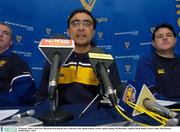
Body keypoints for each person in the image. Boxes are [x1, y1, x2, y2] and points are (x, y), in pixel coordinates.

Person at [34, 9, 122, 105]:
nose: (81, 28)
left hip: (95, 116)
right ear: (68, 31)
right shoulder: (55, 58)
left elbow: (115, 97)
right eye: (75, 23)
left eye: (87, 24)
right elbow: (42, 97)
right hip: (61, 116)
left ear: (93, 32)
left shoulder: (105, 59)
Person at [135, 22, 180, 101]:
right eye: (160, 37)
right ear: (153, 43)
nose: (165, 38)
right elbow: (150, 94)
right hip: (162, 110)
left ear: (175, 40)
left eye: (169, 35)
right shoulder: (146, 63)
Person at [0, 22, 37, 106]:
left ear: (11, 42)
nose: (0, 34)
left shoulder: (16, 61)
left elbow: (23, 92)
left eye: (6, 33)